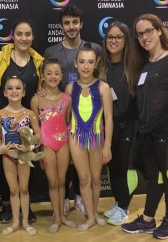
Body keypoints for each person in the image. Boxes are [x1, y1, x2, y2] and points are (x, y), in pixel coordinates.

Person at [121, 14, 168, 240]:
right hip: (147, 133)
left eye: (148, 31)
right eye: (140, 34)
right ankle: (148, 219)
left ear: (159, 31)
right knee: (155, 177)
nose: (144, 37)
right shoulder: (145, 66)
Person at [0, 18, 43, 224]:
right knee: (3, 165)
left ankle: (27, 208)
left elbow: (42, 91)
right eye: (19, 34)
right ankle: (8, 206)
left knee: (28, 163)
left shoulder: (39, 62)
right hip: (3, 123)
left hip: (27, 124)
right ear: (12, 35)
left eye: (27, 34)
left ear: (33, 37)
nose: (24, 38)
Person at [43, 4, 102, 214]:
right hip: (61, 113)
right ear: (61, 26)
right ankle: (66, 199)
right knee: (64, 157)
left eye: (75, 22)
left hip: (87, 113)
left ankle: (79, 196)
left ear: (81, 24)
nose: (71, 26)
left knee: (85, 163)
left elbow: (99, 82)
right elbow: (47, 79)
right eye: (67, 23)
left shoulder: (93, 48)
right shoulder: (51, 51)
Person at [65, 44, 113, 231]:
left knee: (95, 178)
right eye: (82, 62)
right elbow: (66, 116)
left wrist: (107, 145)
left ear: (97, 64)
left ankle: (94, 212)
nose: (86, 66)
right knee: (83, 179)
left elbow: (108, 117)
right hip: (75, 137)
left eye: (90, 62)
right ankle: (90, 216)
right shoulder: (70, 88)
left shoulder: (103, 87)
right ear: (76, 64)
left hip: (96, 138)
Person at [97, 21, 139, 226]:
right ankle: (118, 202)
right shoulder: (101, 67)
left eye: (118, 37)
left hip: (130, 125)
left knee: (124, 167)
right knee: (113, 167)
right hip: (108, 126)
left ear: (126, 40)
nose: (113, 41)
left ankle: (124, 207)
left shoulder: (134, 65)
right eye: (110, 37)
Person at [31, 58, 76, 233]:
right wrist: (37, 151)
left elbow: (67, 122)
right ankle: (56, 217)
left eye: (56, 73)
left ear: (62, 75)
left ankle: (63, 216)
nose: (53, 76)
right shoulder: (36, 100)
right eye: (49, 73)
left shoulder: (66, 98)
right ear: (42, 76)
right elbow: (36, 130)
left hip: (63, 142)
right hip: (47, 144)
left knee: (62, 180)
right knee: (52, 181)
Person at [0, 76, 40, 236]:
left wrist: (30, 146)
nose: (14, 91)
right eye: (10, 88)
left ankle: (25, 222)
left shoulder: (29, 113)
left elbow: (38, 136)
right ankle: (15, 222)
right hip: (8, 156)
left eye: (18, 88)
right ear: (4, 93)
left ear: (24, 92)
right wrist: (0, 149)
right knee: (13, 190)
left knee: (24, 188)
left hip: (24, 156)